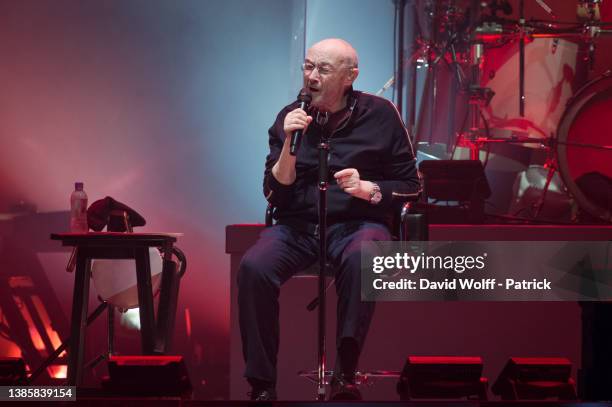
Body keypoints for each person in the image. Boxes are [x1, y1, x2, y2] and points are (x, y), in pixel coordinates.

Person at [238, 38, 420, 401]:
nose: (312, 77)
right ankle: (262, 385)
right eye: (308, 67)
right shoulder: (290, 115)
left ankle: (345, 374)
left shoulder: (381, 115)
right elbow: (274, 192)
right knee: (253, 268)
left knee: (362, 257)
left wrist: (367, 188)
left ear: (350, 76)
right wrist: (291, 142)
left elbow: (411, 186)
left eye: (323, 69)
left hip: (356, 224)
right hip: (297, 227)